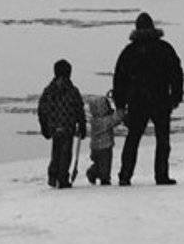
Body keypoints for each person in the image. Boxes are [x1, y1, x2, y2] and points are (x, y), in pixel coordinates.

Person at [113, 12, 184, 186]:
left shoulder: (129, 52)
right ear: (152, 27)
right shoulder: (165, 48)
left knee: (133, 139)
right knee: (163, 140)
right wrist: (175, 97)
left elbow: (119, 79)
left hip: (137, 102)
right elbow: (176, 74)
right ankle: (161, 176)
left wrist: (120, 104)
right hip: (161, 101)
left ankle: (125, 175)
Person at [37, 58, 87, 189]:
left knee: (56, 151)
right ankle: (62, 178)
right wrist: (82, 125)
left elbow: (42, 109)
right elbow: (79, 109)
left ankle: (53, 176)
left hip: (54, 126)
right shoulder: (73, 91)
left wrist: (44, 126)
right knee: (65, 153)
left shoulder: (49, 90)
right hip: (68, 126)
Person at [83, 90, 125, 186]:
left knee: (98, 163)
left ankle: (95, 172)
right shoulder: (104, 121)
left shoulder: (94, 120)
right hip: (105, 147)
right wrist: (121, 111)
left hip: (95, 147)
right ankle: (104, 177)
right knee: (105, 164)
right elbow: (116, 119)